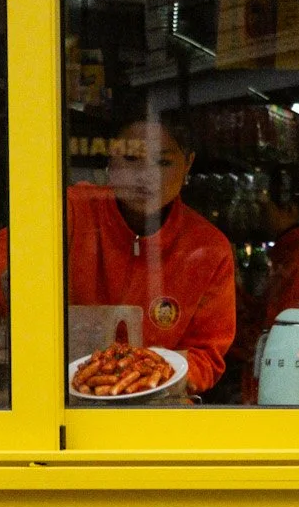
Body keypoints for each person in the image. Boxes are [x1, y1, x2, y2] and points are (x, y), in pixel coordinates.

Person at [66, 119, 236, 394]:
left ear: (188, 164)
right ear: (110, 156)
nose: (146, 177)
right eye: (132, 158)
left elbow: (206, 356)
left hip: (159, 412)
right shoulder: (72, 211)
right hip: (62, 404)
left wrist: (147, 376)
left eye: (163, 163)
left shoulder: (209, 248)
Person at [231, 165, 299, 404]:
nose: (259, 211)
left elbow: (281, 337)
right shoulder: (295, 256)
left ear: (290, 209)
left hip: (285, 388)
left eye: (266, 204)